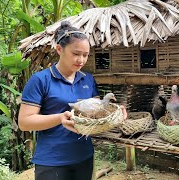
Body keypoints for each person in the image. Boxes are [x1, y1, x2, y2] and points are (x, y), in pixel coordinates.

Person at [18, 21, 126, 180]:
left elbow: (96, 114)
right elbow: (25, 122)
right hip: (52, 160)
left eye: (85, 55)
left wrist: (114, 115)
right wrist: (60, 118)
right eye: (76, 53)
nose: (81, 60)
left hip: (84, 156)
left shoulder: (87, 79)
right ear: (59, 49)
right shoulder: (41, 80)